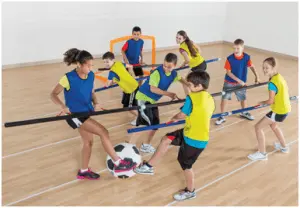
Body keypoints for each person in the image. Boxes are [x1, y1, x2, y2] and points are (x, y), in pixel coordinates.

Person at [50, 48, 136, 180]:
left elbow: (91, 92)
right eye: (88, 65)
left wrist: (96, 102)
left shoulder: (90, 75)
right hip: (74, 115)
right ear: (79, 64)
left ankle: (83, 171)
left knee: (88, 143)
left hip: (86, 112)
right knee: (103, 132)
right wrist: (63, 106)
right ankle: (118, 162)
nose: (90, 68)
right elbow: (53, 94)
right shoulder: (68, 78)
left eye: (92, 65)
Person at [134, 71, 215, 201]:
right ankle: (148, 167)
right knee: (166, 139)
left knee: (186, 166)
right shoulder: (209, 97)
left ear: (199, 86)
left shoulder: (191, 99)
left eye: (190, 85)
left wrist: (173, 118)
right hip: (188, 131)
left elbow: (181, 115)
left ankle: (190, 191)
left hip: (195, 140)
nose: (188, 87)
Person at [248, 57, 291, 161]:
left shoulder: (272, 83)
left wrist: (261, 103)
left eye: (267, 68)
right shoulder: (278, 77)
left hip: (278, 111)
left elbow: (270, 101)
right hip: (285, 109)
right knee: (274, 126)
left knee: (258, 127)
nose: (264, 70)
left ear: (273, 68)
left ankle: (262, 153)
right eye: (263, 68)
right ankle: (284, 147)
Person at [215, 38, 260, 125]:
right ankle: (222, 115)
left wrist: (257, 76)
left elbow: (252, 66)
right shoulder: (230, 59)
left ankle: (244, 112)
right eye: (234, 48)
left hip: (241, 84)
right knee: (224, 99)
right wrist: (239, 81)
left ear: (242, 48)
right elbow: (228, 72)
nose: (235, 50)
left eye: (238, 48)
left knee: (243, 98)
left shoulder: (246, 57)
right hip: (229, 82)